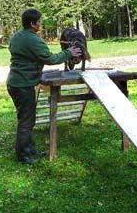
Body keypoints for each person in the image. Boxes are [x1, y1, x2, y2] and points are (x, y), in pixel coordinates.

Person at [7, 9, 82, 164]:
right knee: (26, 120)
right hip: (23, 84)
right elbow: (50, 59)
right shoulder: (33, 40)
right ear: (32, 24)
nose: (40, 24)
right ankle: (23, 156)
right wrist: (68, 52)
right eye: (39, 22)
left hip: (14, 82)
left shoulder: (16, 37)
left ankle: (30, 150)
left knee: (27, 118)